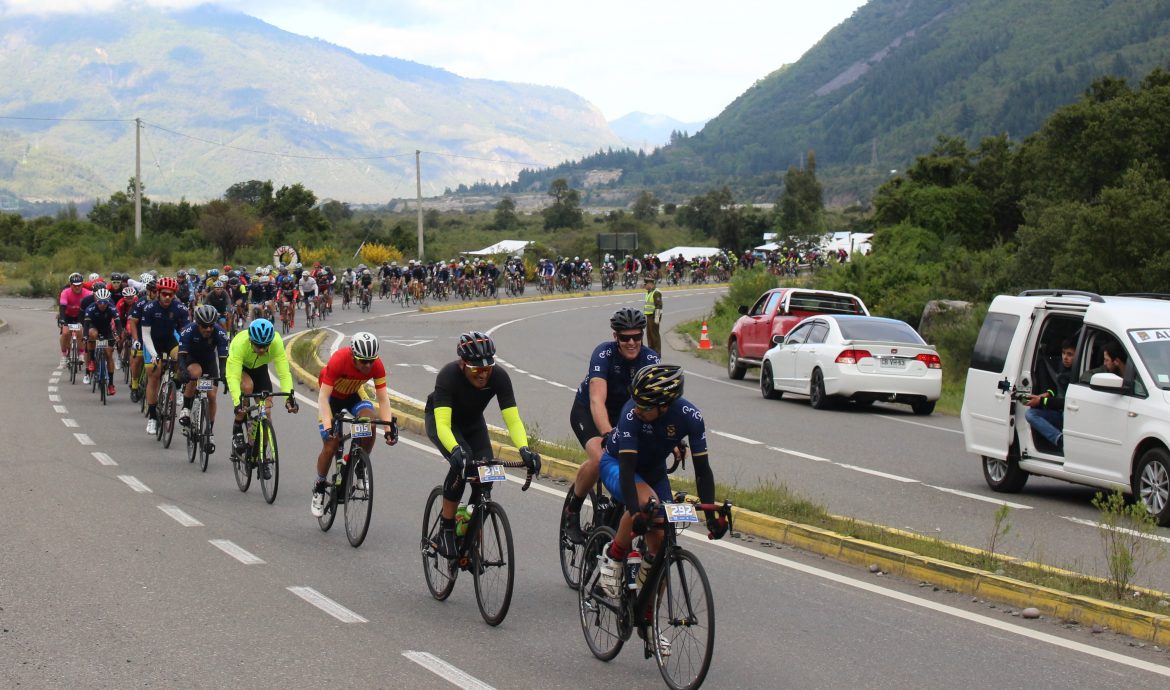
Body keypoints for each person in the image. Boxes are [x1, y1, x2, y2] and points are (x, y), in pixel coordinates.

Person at [594, 364, 726, 602]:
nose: (637, 408)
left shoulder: (691, 417)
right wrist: (636, 513)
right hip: (617, 464)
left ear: (664, 406)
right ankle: (613, 556)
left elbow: (703, 471)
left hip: (654, 472)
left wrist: (711, 518)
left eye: (644, 405)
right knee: (647, 505)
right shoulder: (631, 414)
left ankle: (647, 618)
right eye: (636, 401)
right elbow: (626, 472)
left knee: (662, 543)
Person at [424, 331, 541, 558]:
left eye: (487, 370)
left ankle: (470, 528)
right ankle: (446, 528)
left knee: (486, 477)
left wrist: (524, 449)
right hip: (443, 422)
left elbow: (513, 420)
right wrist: (455, 450)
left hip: (473, 423)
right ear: (462, 364)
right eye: (477, 370)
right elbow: (443, 425)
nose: (483, 375)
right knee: (463, 462)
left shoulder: (499, 377)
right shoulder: (448, 376)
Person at [562, 308, 661, 543]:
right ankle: (572, 509)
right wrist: (607, 433)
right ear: (615, 336)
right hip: (589, 411)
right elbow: (597, 399)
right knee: (600, 458)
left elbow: (657, 403)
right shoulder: (603, 354)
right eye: (625, 337)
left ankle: (616, 515)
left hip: (626, 417)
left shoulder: (650, 359)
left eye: (637, 337)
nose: (631, 342)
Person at [310, 332, 399, 517]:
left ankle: (359, 466)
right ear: (353, 355)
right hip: (331, 398)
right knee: (331, 445)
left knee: (370, 422)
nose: (368, 366)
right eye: (362, 361)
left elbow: (383, 400)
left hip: (353, 395)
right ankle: (319, 486)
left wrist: (389, 429)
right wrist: (327, 425)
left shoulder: (377, 366)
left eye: (371, 361)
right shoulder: (339, 360)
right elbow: (323, 397)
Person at [225, 318, 299, 461]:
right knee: (247, 387)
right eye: (258, 346)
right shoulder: (240, 344)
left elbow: (284, 373)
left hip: (260, 370)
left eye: (265, 346)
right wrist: (237, 402)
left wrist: (289, 398)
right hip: (240, 369)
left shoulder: (276, 342)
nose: (261, 349)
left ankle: (262, 456)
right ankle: (238, 427)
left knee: (267, 412)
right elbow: (233, 377)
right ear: (251, 341)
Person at [133, 277, 190, 435]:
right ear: (158, 293)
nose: (167, 297)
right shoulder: (149, 308)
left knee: (181, 357)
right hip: (152, 342)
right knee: (154, 374)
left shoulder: (180, 308)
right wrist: (154, 355)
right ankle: (152, 417)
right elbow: (145, 335)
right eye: (164, 294)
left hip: (169, 340)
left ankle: (176, 386)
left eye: (170, 295)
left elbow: (185, 332)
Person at [176, 304, 230, 451]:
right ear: (198, 324)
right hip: (192, 359)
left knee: (212, 395)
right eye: (204, 326)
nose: (208, 329)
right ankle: (186, 408)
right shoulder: (188, 331)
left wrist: (225, 376)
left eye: (211, 326)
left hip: (209, 362)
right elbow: (181, 357)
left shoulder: (220, 333)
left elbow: (223, 360)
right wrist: (182, 370)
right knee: (195, 373)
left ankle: (209, 431)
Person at [1025, 339, 1075, 450]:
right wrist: (1046, 394)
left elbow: (1067, 402)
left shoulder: (1077, 375)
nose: (1065, 357)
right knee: (1030, 414)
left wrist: (1041, 401)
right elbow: (1057, 389)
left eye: (1070, 354)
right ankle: (1060, 439)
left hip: (1071, 414)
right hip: (1060, 414)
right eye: (1063, 353)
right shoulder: (1061, 367)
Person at [81, 287, 121, 394]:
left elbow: (118, 324)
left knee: (108, 354)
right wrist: (85, 336)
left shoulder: (112, 308)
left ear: (108, 301)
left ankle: (111, 384)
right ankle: (93, 361)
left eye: (105, 302)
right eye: (100, 302)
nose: (102, 304)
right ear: (96, 300)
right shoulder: (90, 308)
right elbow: (86, 325)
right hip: (94, 327)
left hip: (106, 330)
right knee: (92, 334)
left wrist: (118, 335)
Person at [58, 272, 92, 366]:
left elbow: (91, 307)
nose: (77, 287)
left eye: (79, 285)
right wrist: (62, 319)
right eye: (74, 285)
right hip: (67, 316)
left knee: (80, 332)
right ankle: (64, 355)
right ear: (70, 285)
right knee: (65, 334)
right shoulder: (65, 292)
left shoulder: (88, 293)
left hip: (80, 316)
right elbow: (62, 306)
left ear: (82, 284)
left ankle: (81, 353)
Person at [643, 276, 663, 352]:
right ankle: (651, 351)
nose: (645, 286)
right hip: (649, 316)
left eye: (646, 284)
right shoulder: (649, 292)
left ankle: (657, 352)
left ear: (650, 284)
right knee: (649, 335)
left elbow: (659, 305)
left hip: (654, 316)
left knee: (654, 335)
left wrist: (657, 317)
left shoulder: (656, 293)